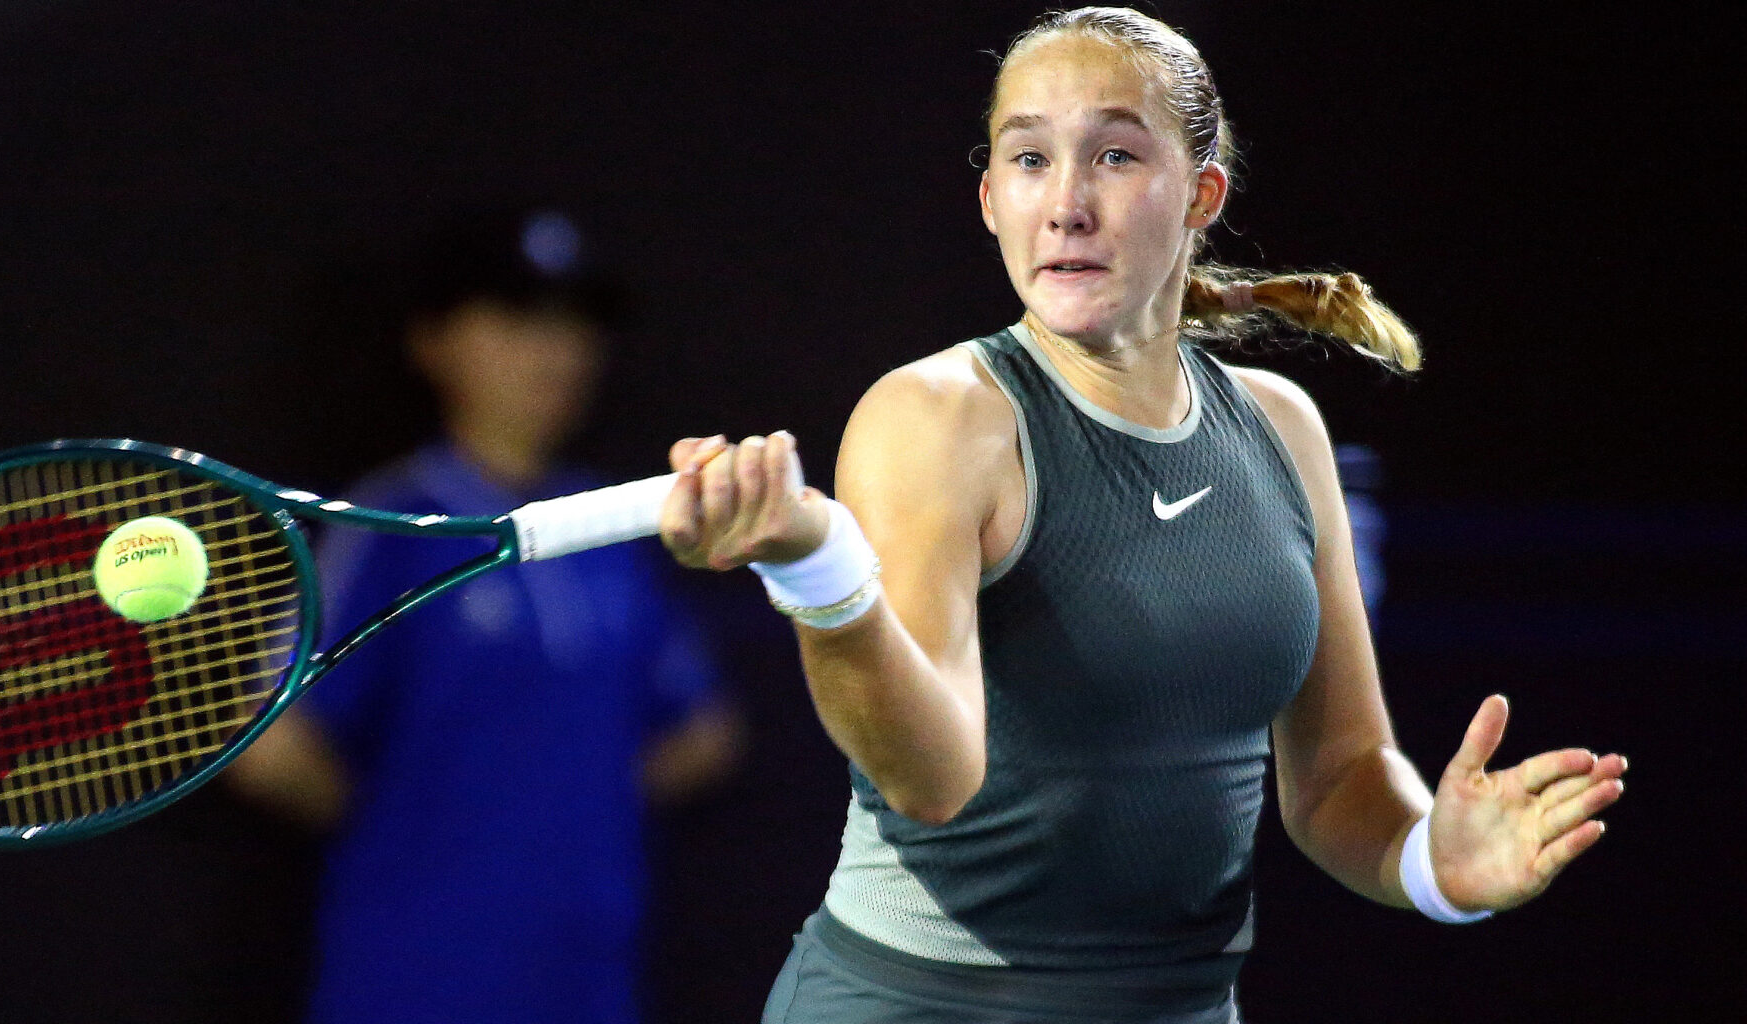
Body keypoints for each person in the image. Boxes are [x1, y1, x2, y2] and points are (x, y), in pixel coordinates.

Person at [655, 9, 1627, 1023]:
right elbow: (927, 779)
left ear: (1202, 193)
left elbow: (1341, 773)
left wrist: (1432, 863)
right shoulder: (935, 419)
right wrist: (815, 568)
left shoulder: (1283, 429)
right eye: (1029, 160)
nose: (1066, 206)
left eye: (1115, 156)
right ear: (990, 200)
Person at [227, 209, 740, 1024]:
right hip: (414, 983)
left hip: (590, 979)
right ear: (432, 343)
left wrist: (563, 815)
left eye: (576, 324)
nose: (557, 352)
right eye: (517, 320)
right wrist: (429, 831)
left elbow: (704, 735)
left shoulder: (620, 524)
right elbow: (272, 748)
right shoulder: (388, 524)